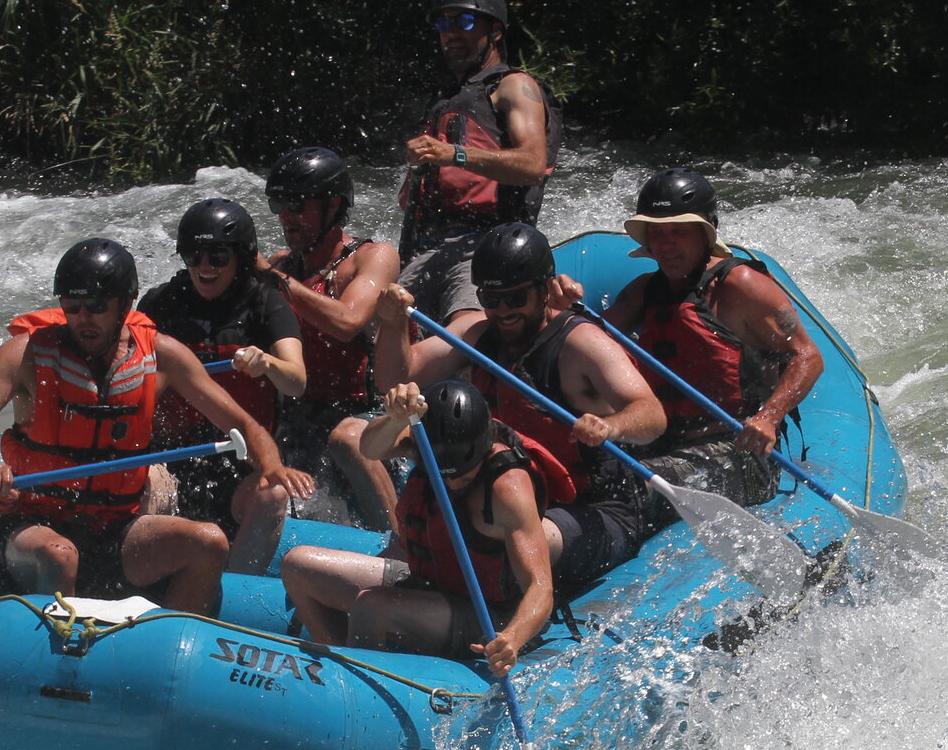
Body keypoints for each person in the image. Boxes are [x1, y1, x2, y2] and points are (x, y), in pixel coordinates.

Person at [0, 237, 302, 614]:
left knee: (208, 541)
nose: (82, 318)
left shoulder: (162, 356)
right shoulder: (26, 354)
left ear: (126, 304)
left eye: (96, 306)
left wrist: (270, 466)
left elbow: (243, 424)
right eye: (71, 305)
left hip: (114, 530)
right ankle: (60, 657)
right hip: (31, 527)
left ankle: (165, 650)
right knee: (59, 556)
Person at [376, 223, 667, 591]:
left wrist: (611, 426)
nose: (502, 311)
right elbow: (394, 380)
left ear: (545, 290)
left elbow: (652, 415)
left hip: (593, 509)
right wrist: (391, 323)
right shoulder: (476, 332)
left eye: (515, 299)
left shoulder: (581, 343)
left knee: (500, 541)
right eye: (491, 299)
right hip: (511, 499)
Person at [279, 381, 567, 675]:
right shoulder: (425, 444)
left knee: (371, 606)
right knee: (297, 566)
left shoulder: (508, 488)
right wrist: (395, 418)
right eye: (442, 475)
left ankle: (358, 687)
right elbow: (369, 447)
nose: (451, 483)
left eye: (463, 478)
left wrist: (512, 639)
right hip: (427, 585)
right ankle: (345, 670)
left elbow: (540, 587)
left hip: (486, 614)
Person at [600, 168, 824, 515]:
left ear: (705, 234)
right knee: (595, 473)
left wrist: (769, 417)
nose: (666, 244)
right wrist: (558, 306)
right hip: (663, 444)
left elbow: (808, 356)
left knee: (629, 484)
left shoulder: (740, 286)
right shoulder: (643, 292)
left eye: (679, 232)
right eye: (657, 233)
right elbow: (583, 340)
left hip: (739, 454)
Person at [137, 198, 315, 573]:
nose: (204, 267)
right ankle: (141, 581)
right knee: (143, 480)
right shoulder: (161, 303)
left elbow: (296, 381)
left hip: (243, 462)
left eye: (217, 257)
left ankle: (235, 591)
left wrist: (266, 363)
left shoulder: (266, 301)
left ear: (241, 258)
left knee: (273, 493)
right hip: (174, 457)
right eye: (194, 255)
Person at [395, 0, 554, 328]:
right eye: (443, 23)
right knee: (383, 329)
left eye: (464, 21)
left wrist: (454, 154)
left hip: (486, 246)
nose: (451, 32)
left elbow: (532, 164)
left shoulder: (514, 86)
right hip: (429, 246)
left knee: (462, 327)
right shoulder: (443, 100)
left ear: (495, 30)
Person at [256, 146, 401, 528]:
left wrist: (275, 281)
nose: (286, 217)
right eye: (278, 205)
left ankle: (402, 544)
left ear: (333, 206)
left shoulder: (373, 257)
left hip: (367, 419)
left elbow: (348, 320)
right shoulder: (280, 263)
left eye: (297, 205)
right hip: (302, 420)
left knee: (344, 439)